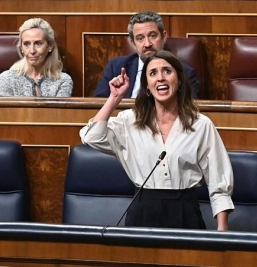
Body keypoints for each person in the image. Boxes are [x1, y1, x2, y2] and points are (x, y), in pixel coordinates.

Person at [81, 51, 233, 229]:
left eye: (167, 71)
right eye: (153, 73)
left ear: (179, 80)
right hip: (143, 212)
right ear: (146, 86)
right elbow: (92, 137)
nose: (160, 78)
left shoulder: (201, 125)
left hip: (185, 212)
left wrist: (222, 233)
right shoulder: (130, 121)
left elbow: (219, 184)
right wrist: (114, 98)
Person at [94, 11, 200, 98]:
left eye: (153, 36)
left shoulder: (184, 72)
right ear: (133, 43)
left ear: (164, 36)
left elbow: (190, 111)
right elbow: (98, 105)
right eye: (140, 38)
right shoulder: (116, 67)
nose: (147, 44)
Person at [0, 18, 73, 97]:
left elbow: (59, 110)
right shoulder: (7, 79)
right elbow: (5, 110)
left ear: (50, 46)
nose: (32, 51)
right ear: (21, 48)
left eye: (38, 43)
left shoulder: (63, 81)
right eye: (26, 44)